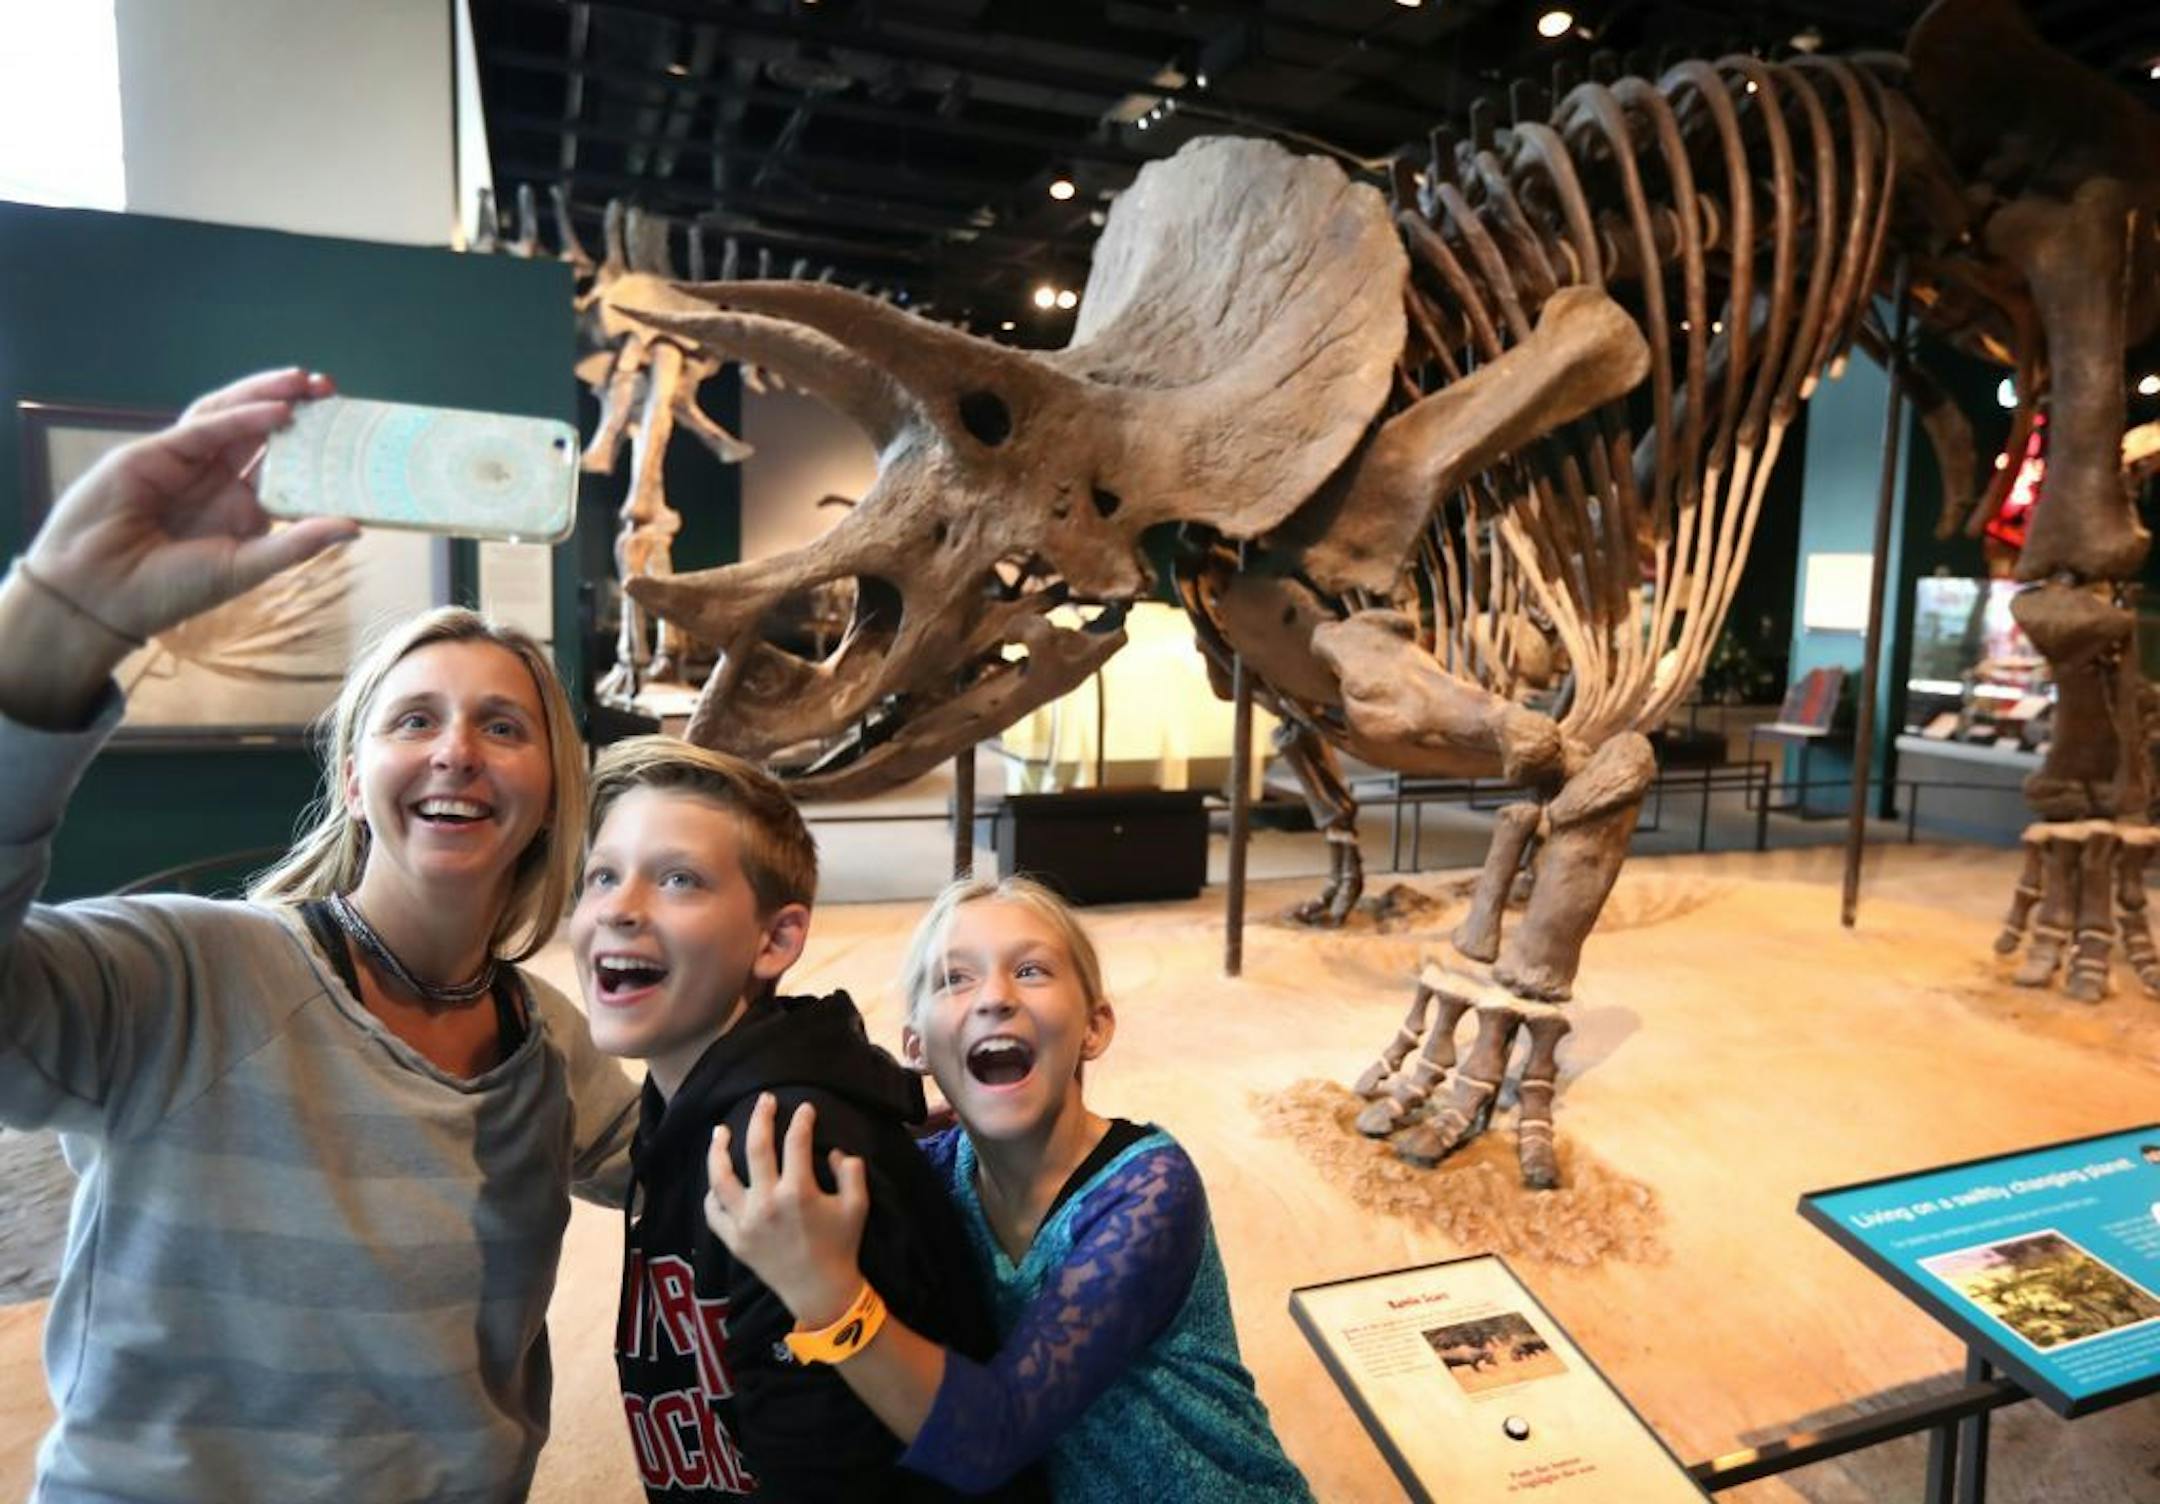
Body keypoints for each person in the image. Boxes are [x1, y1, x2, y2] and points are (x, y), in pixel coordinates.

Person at [0, 368, 641, 1502]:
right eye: (414, 720)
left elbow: (684, 1149)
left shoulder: (545, 1043)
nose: (457, 751)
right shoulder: (193, 973)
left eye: (504, 724)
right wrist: (50, 624)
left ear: (552, 789)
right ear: (354, 776)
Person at [702, 874, 1312, 1502]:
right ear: (915, 1045)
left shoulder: (1149, 1188)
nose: (994, 996)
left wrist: (827, 1294)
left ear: (1095, 1026)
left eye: (1031, 971)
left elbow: (994, 1436)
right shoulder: (936, 1171)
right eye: (955, 978)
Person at [570, 738, 1044, 1502]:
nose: (620, 908)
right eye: (602, 875)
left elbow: (834, 1471)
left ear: (778, 939)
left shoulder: (783, 1151)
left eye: (679, 879)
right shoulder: (687, 1116)